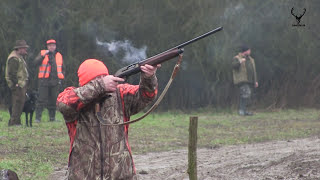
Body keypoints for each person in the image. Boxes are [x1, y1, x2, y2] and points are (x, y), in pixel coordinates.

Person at [57, 59, 159, 179]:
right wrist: (100, 86)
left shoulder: (120, 93)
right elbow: (64, 104)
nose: (103, 81)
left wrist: (148, 77)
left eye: (104, 77)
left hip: (121, 175)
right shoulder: (74, 98)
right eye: (97, 78)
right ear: (85, 83)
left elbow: (146, 95)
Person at [34, 39, 65, 122]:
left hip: (55, 81)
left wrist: (62, 77)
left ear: (55, 46)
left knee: (53, 100)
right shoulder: (42, 54)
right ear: (47, 46)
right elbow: (35, 63)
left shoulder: (59, 55)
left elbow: (63, 68)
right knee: (41, 99)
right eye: (50, 45)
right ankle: (38, 118)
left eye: (53, 45)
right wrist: (43, 56)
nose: (52, 47)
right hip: (44, 81)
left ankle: (52, 118)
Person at [5, 40, 29, 126]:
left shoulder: (19, 56)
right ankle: (14, 122)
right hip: (17, 84)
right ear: (19, 49)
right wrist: (16, 83)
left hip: (20, 83)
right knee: (17, 103)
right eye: (24, 48)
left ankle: (17, 121)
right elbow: (12, 73)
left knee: (20, 103)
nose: (26, 50)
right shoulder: (14, 58)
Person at [232, 45, 258, 116]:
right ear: (245, 51)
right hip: (242, 80)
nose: (250, 52)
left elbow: (254, 71)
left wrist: (255, 81)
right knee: (246, 93)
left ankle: (244, 111)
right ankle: (241, 110)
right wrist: (240, 61)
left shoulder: (251, 59)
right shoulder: (237, 58)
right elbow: (234, 66)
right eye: (249, 50)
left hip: (250, 80)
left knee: (247, 95)